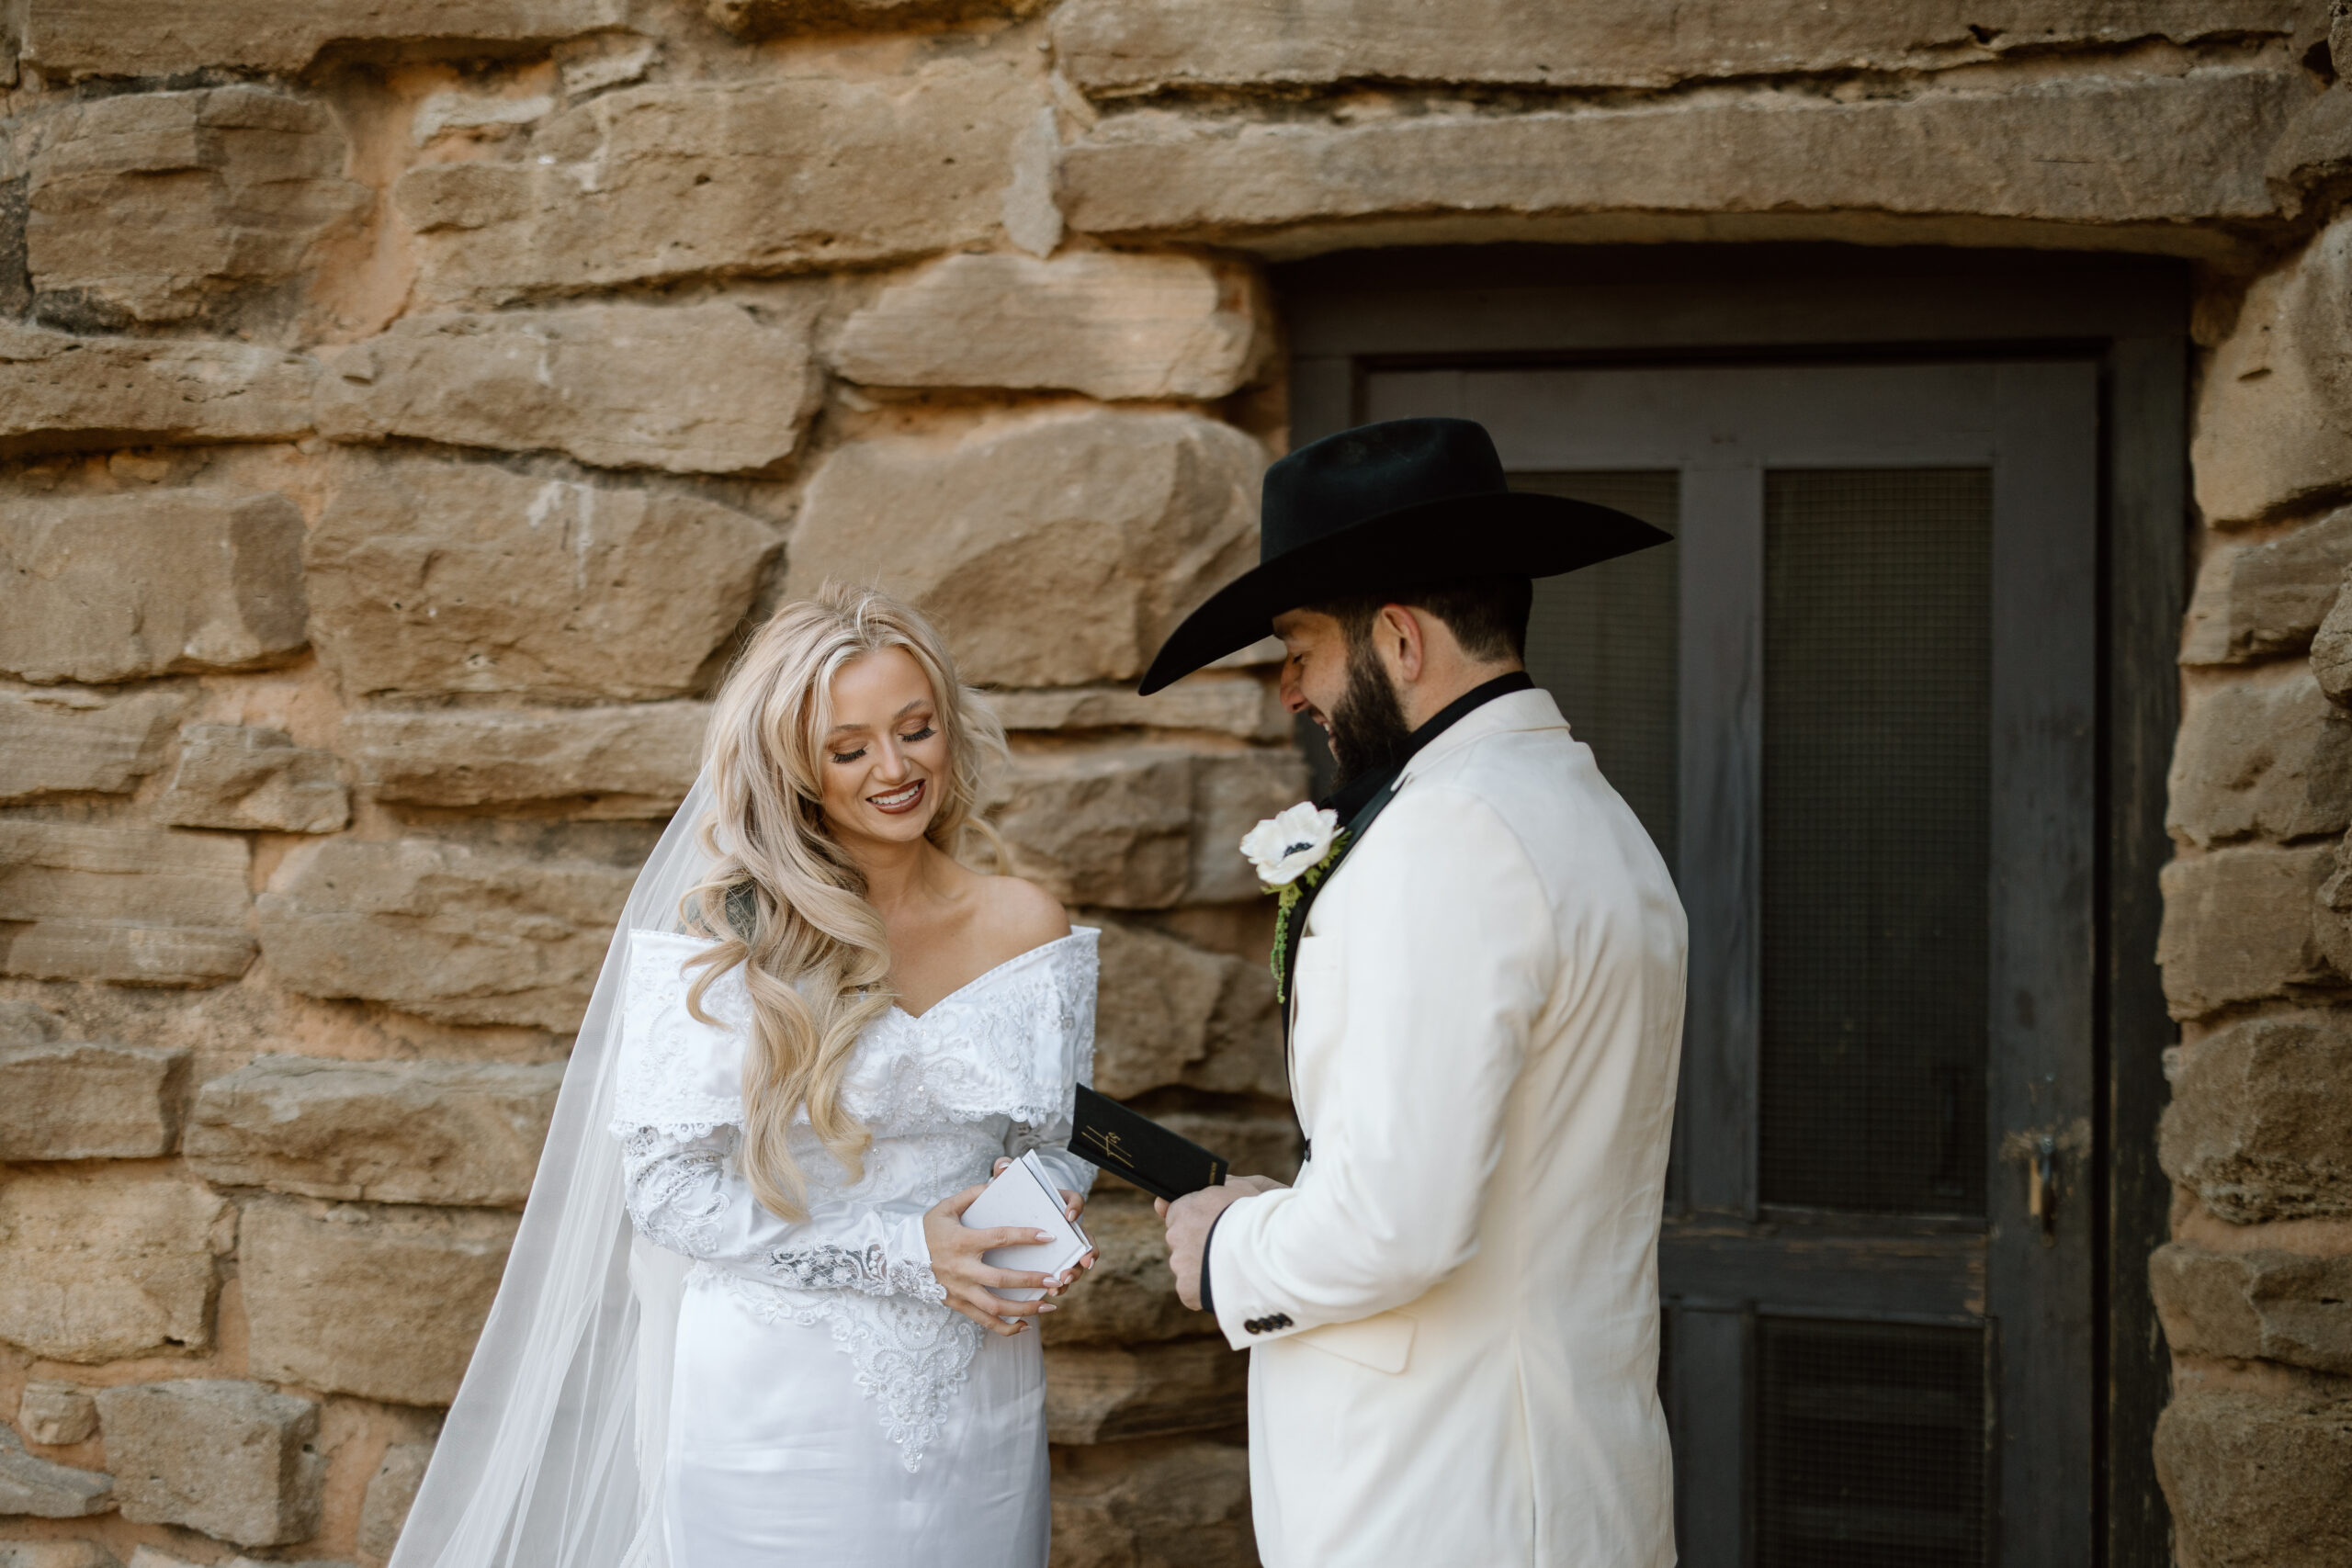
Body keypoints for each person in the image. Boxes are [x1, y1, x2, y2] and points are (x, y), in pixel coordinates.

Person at [390, 584, 1097, 1568]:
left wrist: (1029, 1232)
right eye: (848, 749)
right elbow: (666, 1191)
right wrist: (902, 1253)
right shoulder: (721, 941)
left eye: (915, 730)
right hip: (782, 1390)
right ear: (795, 769)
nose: (893, 770)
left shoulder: (1029, 924)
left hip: (979, 1372)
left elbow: (1058, 1142)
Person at [1142, 417, 1689, 1568]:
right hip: (1556, 1474)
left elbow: (1394, 1228)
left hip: (1445, 1497)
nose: (1290, 690)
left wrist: (1226, 1242)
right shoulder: (1589, 815)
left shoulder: (1448, 838)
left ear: (1395, 638)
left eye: (1299, 648)